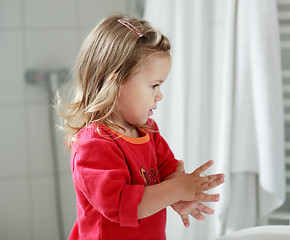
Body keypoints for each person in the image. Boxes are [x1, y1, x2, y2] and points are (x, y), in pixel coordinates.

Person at [57, 15, 225, 240]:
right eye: (154, 85)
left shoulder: (148, 131)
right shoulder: (94, 144)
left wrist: (180, 197)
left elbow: (168, 173)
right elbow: (121, 205)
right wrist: (177, 189)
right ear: (115, 84)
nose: (159, 95)